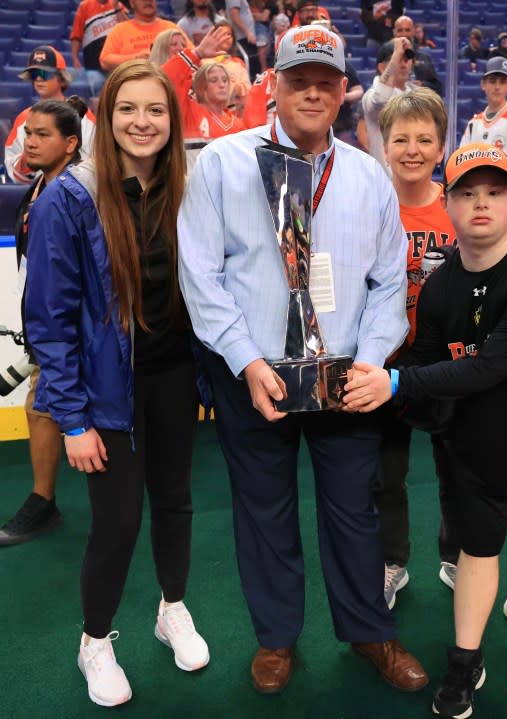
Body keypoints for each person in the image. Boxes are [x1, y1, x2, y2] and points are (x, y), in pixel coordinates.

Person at [177, 24, 428, 695]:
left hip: (345, 373)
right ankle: (276, 638)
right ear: (275, 85)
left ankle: (370, 630)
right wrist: (245, 360)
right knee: (263, 510)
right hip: (252, 372)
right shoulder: (222, 166)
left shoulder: (369, 177)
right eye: (299, 78)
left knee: (354, 509)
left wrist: (371, 362)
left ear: (345, 90)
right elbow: (199, 276)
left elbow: (386, 282)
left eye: (326, 79)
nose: (313, 91)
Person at [343, 142, 507, 719]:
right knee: (477, 550)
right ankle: (465, 660)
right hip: (478, 448)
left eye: (494, 192)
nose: (481, 203)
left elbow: (487, 366)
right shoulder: (440, 287)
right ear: (447, 203)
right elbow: (425, 358)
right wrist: (360, 389)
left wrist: (395, 386)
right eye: (466, 193)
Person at [25, 59, 208, 707]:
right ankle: (94, 641)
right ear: (105, 115)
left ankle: (172, 608)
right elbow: (48, 317)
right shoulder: (69, 198)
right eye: (128, 108)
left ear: (172, 118)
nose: (142, 121)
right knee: (119, 520)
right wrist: (71, 417)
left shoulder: (187, 185)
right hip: (106, 393)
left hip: (174, 376)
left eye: (155, 110)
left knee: (178, 502)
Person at [375, 88, 460, 609]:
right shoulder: (370, 206)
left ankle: (458, 556)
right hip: (385, 361)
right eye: (401, 138)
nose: (412, 149)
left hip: (450, 361)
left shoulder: (458, 206)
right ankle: (392, 562)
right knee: (385, 473)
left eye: (424, 139)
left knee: (458, 467)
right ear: (384, 146)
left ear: (440, 146)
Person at [0, 98, 87, 548]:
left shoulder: (75, 191)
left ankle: (45, 502)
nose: (29, 142)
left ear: (70, 143)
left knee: (45, 409)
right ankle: (44, 501)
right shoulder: (41, 187)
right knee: (41, 410)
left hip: (74, 329)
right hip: (52, 329)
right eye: (28, 133)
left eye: (42, 135)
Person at [5, 46, 96, 184]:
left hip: (77, 192)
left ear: (61, 77)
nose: (39, 79)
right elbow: (13, 171)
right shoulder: (24, 118)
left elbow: (96, 160)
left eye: (45, 73)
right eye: (35, 75)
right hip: (36, 193)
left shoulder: (83, 116)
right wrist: (28, 159)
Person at [459, 57, 507, 178]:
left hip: (505, 191)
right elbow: (462, 162)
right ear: (483, 84)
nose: (497, 87)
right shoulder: (474, 124)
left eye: (502, 82)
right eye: (492, 81)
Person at [361, 36, 416, 171]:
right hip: (383, 181)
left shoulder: (416, 95)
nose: (403, 64)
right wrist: (396, 53)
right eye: (397, 60)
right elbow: (380, 100)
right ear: (381, 67)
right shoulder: (370, 96)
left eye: (406, 59)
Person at [99, 0, 188, 71]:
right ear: (132, 3)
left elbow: (191, 53)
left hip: (167, 80)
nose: (148, 1)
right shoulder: (120, 29)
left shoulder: (170, 27)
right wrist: (136, 58)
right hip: (132, 82)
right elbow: (104, 60)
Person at [70, 0, 128, 98]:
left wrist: (117, 8)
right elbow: (77, 34)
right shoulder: (85, 6)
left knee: (118, 96)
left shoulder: (117, 4)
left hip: (115, 64)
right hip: (93, 65)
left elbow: (127, 29)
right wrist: (74, 57)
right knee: (97, 97)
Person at [392, 15, 442, 95]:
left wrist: (423, 85)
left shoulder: (424, 57)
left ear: (413, 32)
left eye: (407, 30)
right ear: (394, 32)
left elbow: (438, 88)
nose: (404, 34)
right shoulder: (386, 56)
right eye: (400, 30)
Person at [225, 0, 259, 80]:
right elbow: (234, 15)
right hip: (243, 38)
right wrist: (248, 33)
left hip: (245, 37)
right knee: (250, 68)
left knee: (254, 66)